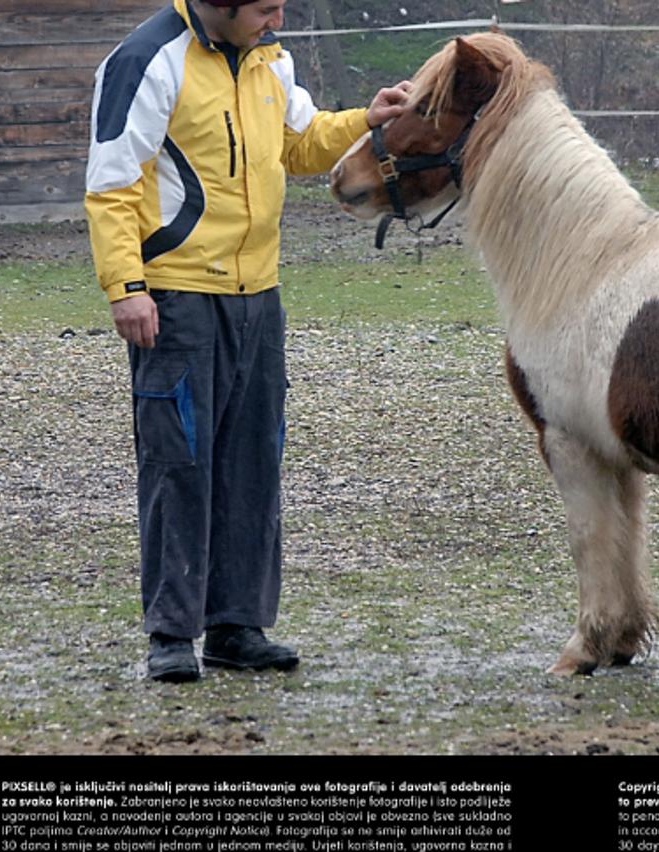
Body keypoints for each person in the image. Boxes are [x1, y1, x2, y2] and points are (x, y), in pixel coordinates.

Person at [85, 0, 411, 682]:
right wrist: (126, 287)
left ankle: (236, 625)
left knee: (253, 460)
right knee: (179, 464)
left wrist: (367, 119)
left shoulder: (269, 59)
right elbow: (113, 184)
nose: (279, 21)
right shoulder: (147, 60)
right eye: (266, 8)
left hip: (258, 295)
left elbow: (299, 143)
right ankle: (171, 635)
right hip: (176, 297)